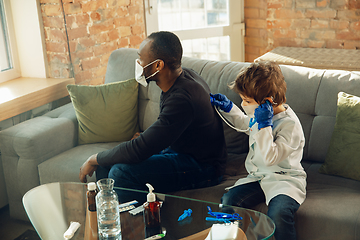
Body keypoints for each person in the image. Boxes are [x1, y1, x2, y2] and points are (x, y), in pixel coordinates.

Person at [79, 31, 227, 203]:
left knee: (121, 173)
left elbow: (140, 149)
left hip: (204, 167)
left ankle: (138, 225)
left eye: (141, 59)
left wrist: (93, 158)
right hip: (181, 152)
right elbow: (167, 128)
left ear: (158, 66)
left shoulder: (182, 98)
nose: (138, 63)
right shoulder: (181, 78)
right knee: (106, 163)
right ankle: (112, 220)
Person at [210, 62, 306, 240]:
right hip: (259, 177)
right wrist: (229, 108)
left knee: (279, 214)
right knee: (229, 202)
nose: (243, 103)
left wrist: (265, 127)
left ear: (267, 101)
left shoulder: (289, 125)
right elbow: (247, 125)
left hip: (284, 179)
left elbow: (271, 157)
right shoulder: (260, 114)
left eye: (247, 101)